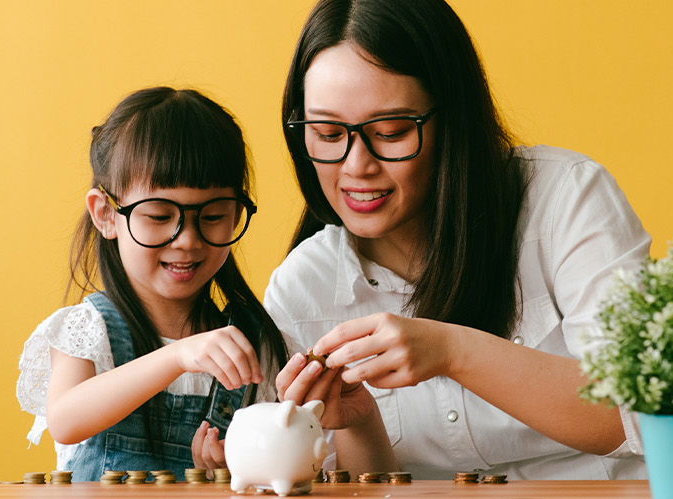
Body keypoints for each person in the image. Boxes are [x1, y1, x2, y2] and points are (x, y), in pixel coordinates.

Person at [265, 0, 652, 480]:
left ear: (453, 121)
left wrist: (452, 351)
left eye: (391, 131)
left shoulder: (563, 199)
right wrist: (361, 425)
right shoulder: (302, 289)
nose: (355, 166)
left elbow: (642, 411)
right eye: (325, 132)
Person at [15, 87, 293, 481]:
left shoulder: (249, 343)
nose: (187, 240)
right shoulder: (91, 329)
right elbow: (65, 419)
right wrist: (177, 356)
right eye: (160, 216)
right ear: (106, 214)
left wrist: (230, 466)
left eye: (212, 215)